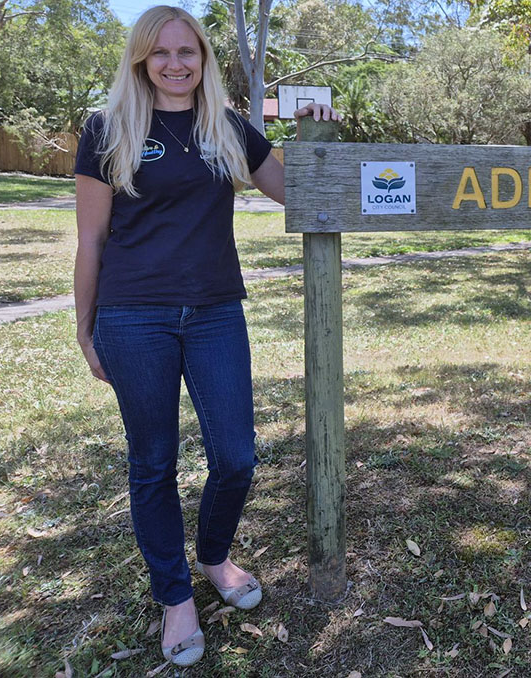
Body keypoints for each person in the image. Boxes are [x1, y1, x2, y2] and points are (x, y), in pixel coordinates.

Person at [73, 5, 338, 667]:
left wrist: (314, 142)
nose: (175, 64)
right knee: (153, 463)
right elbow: (90, 240)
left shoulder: (226, 126)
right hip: (134, 317)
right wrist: (84, 331)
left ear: (203, 58)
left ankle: (214, 557)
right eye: (161, 53)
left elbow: (295, 191)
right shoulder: (107, 129)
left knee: (237, 456)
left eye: (187, 52)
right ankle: (175, 598)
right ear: (141, 59)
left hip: (217, 312)